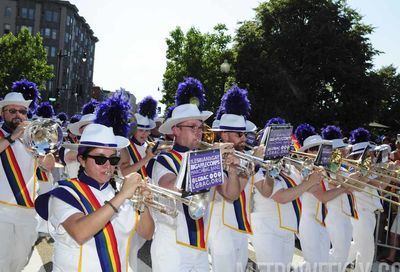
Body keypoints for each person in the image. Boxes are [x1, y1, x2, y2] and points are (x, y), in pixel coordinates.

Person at [35, 123, 154, 271]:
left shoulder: (119, 192)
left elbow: (147, 233)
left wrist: (143, 203)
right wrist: (123, 195)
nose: (108, 166)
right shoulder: (64, 192)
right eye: (100, 159)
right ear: (82, 160)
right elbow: (80, 232)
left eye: (113, 160)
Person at [151, 77, 240, 272]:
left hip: (200, 246)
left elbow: (231, 194)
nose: (198, 132)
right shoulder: (164, 160)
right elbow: (171, 186)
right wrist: (213, 157)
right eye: (192, 127)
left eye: (200, 127)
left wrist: (232, 170)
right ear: (175, 130)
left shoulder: (206, 158)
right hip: (171, 248)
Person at [250, 118, 321, 272]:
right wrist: (308, 183)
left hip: (288, 229)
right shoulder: (259, 165)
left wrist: (316, 172)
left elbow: (311, 189)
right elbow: (281, 197)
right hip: (267, 230)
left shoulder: (289, 166)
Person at [0, 92, 55, 271]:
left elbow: (49, 166)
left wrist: (39, 151)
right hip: (1, 209)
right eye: (12, 111)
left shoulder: (31, 138)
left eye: (22, 111)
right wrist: (12, 137)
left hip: (27, 210)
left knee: (20, 261)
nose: (18, 115)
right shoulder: (3, 135)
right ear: (3, 114)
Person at [209, 85, 258, 272]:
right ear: (224, 134)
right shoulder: (213, 155)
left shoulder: (243, 156)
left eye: (244, 134)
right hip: (221, 227)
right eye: (239, 134)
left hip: (241, 224)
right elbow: (231, 194)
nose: (244, 138)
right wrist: (240, 169)